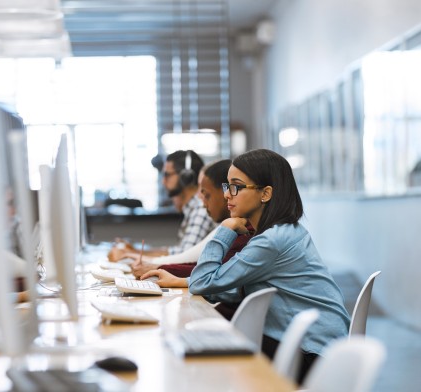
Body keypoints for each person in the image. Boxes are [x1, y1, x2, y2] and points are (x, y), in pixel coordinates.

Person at [186, 149, 350, 384]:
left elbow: (202, 282)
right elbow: (223, 287)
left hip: (312, 354)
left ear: (265, 193)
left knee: (212, 366)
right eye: (227, 187)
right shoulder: (283, 232)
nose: (227, 196)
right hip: (320, 345)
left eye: (236, 187)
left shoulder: (272, 241)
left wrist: (225, 229)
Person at [108, 150, 216, 260]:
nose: (163, 182)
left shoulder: (200, 209)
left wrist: (130, 254)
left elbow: (183, 258)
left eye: (167, 175)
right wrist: (134, 251)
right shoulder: (192, 209)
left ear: (185, 177)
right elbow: (177, 251)